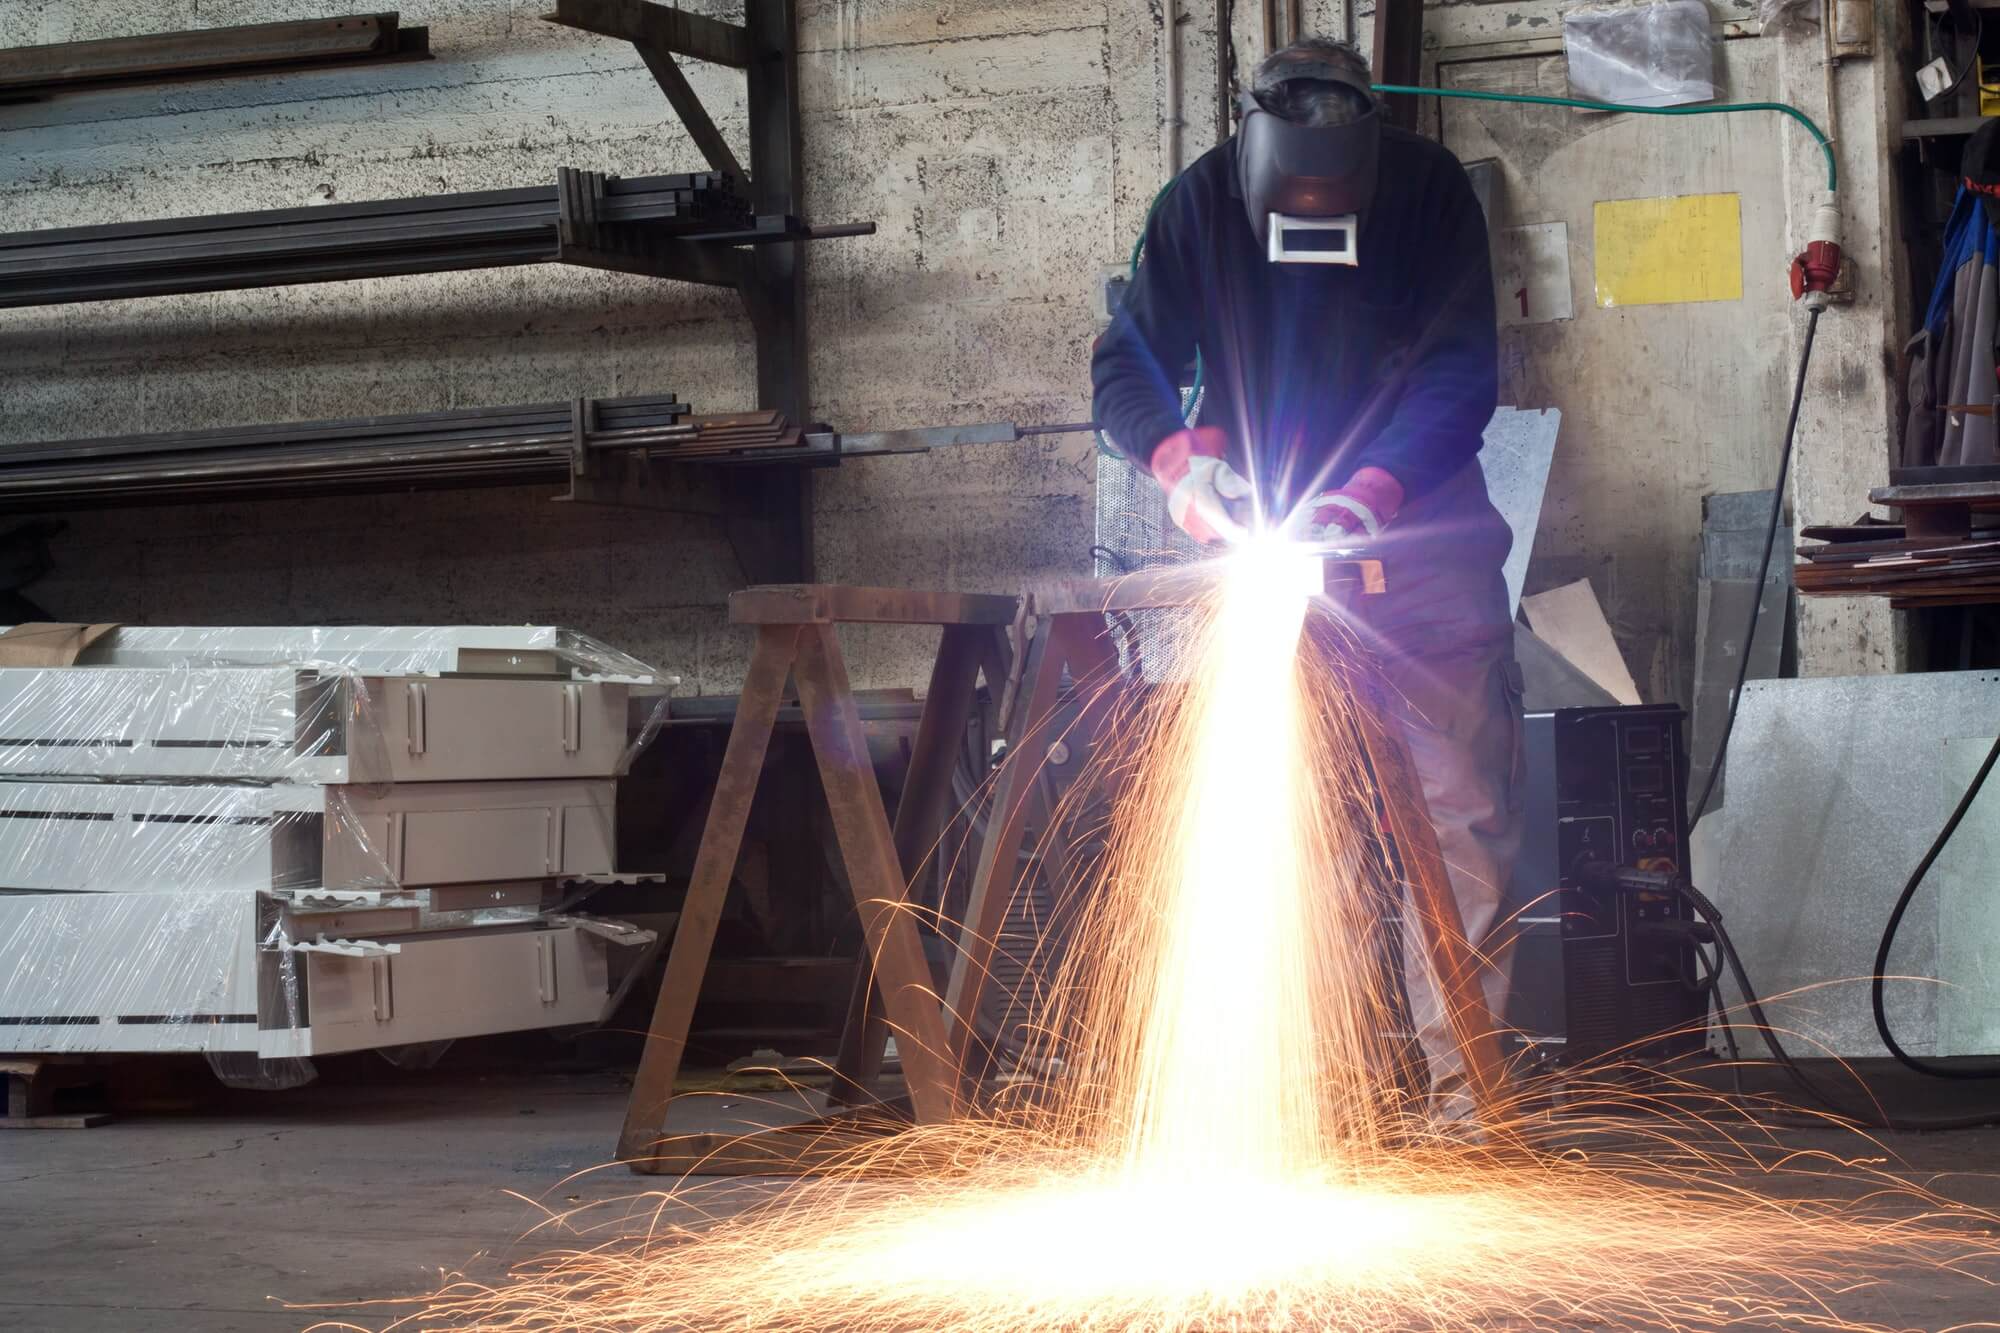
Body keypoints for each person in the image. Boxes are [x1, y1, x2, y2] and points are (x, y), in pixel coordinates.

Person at [1090, 36, 1522, 1124]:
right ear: (1251, 150)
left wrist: (1367, 492)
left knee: (1453, 823)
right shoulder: (1196, 208)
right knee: (1298, 823)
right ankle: (1321, 1103)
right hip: (1271, 558)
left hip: (1419, 550)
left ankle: (1466, 1103)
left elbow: (1462, 371)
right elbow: (1123, 366)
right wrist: (1183, 469)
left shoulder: (1426, 197)